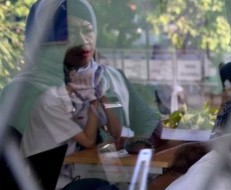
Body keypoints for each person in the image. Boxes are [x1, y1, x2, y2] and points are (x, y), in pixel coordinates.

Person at [0, 0, 162, 147]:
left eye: (88, 30)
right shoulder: (22, 91)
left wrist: (140, 143)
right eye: (69, 32)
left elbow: (150, 120)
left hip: (117, 176)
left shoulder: (111, 78)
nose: (83, 40)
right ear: (47, 39)